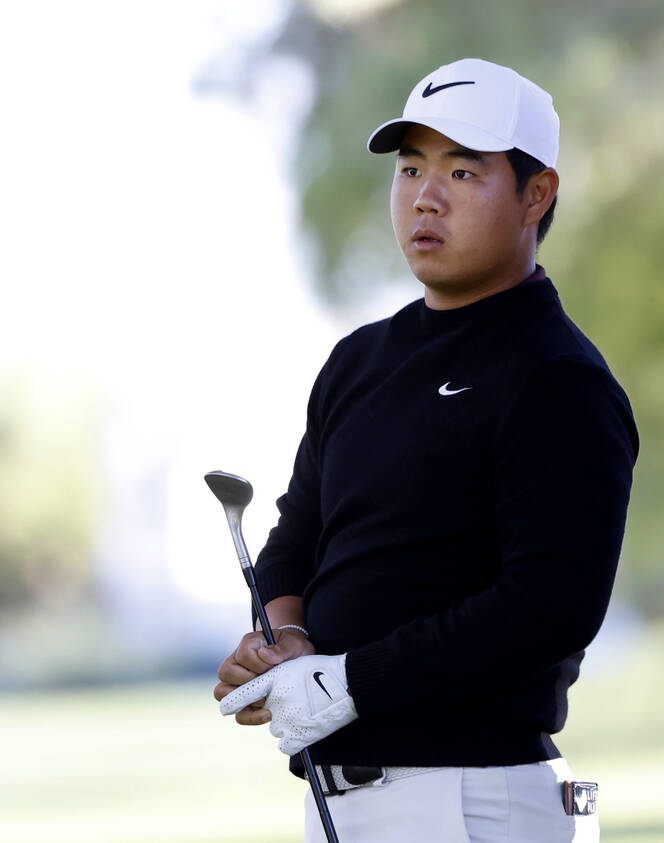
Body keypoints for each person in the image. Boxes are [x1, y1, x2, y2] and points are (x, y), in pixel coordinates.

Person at [213, 57, 638, 843]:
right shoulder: (357, 360)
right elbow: (296, 537)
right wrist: (284, 641)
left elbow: (551, 607)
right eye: (410, 168)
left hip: (474, 802)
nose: (424, 196)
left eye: (463, 172)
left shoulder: (558, 377)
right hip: (346, 800)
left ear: (536, 194)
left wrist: (347, 681)